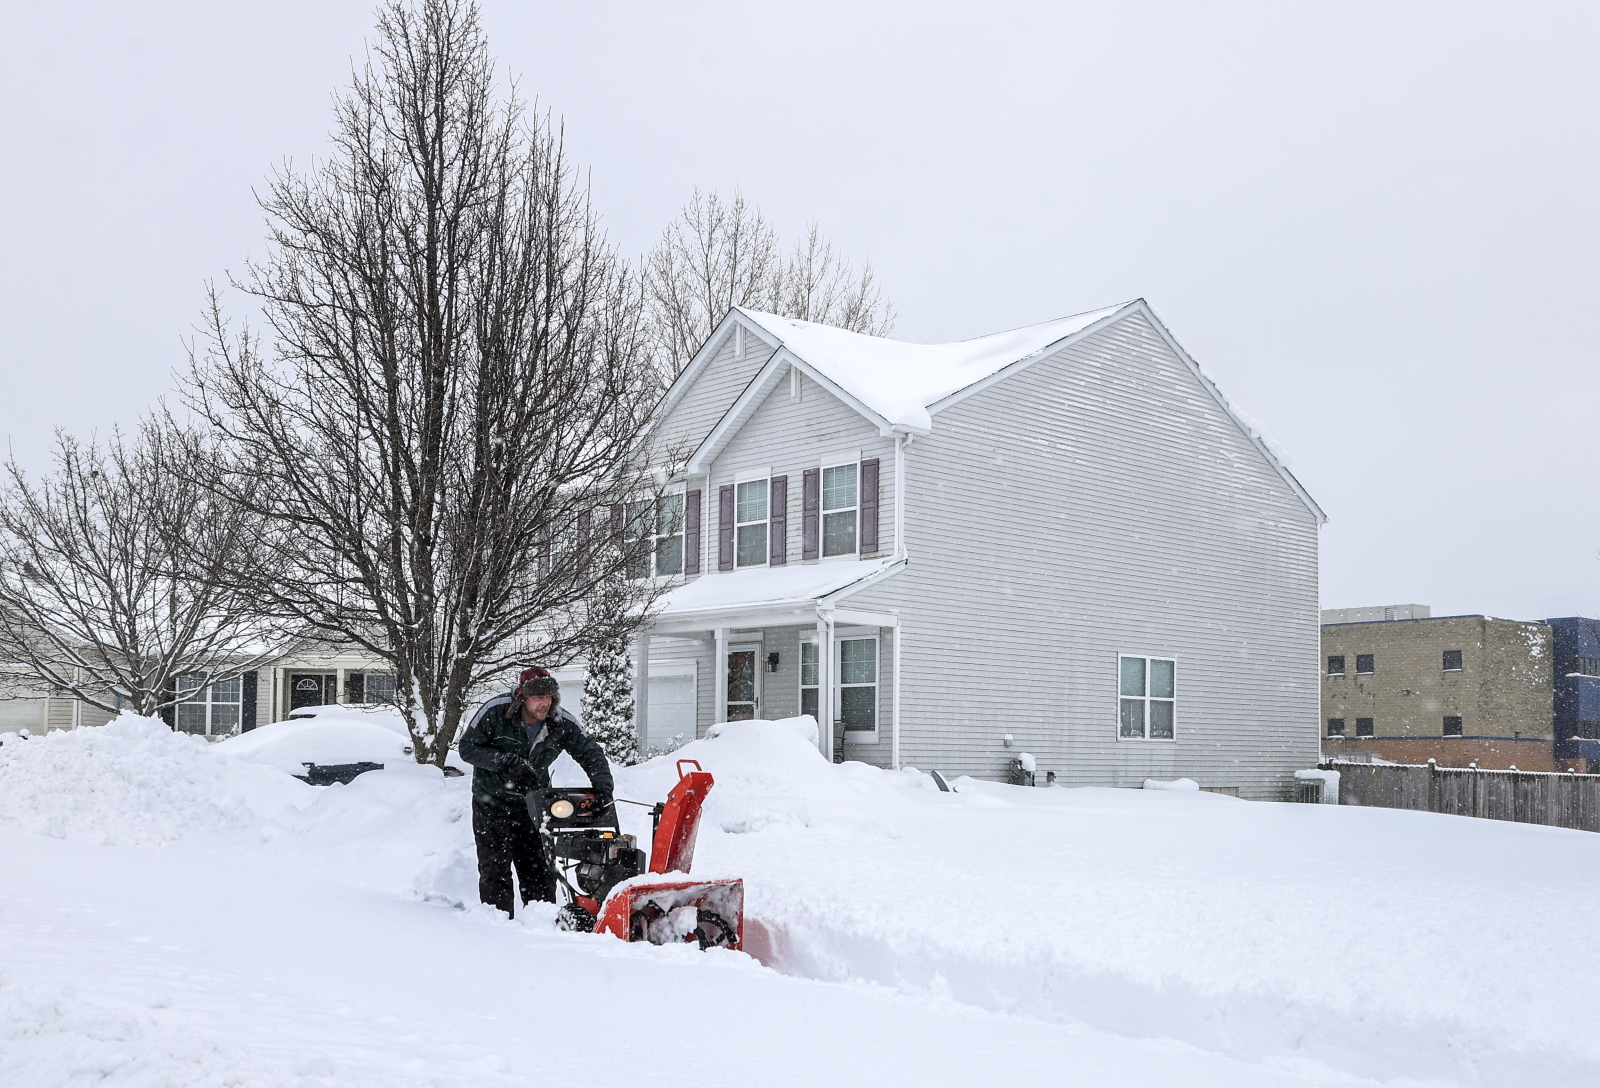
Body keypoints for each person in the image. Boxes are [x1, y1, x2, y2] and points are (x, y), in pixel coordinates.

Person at [457, 667, 614, 917]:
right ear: (522, 697)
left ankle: (539, 925)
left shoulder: (562, 723)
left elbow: (591, 753)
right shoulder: (495, 711)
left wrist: (603, 786)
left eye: (549, 697)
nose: (544, 703)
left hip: (534, 806)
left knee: (539, 871)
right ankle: (496, 926)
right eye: (537, 697)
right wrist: (505, 762)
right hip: (492, 804)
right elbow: (467, 748)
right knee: (494, 870)